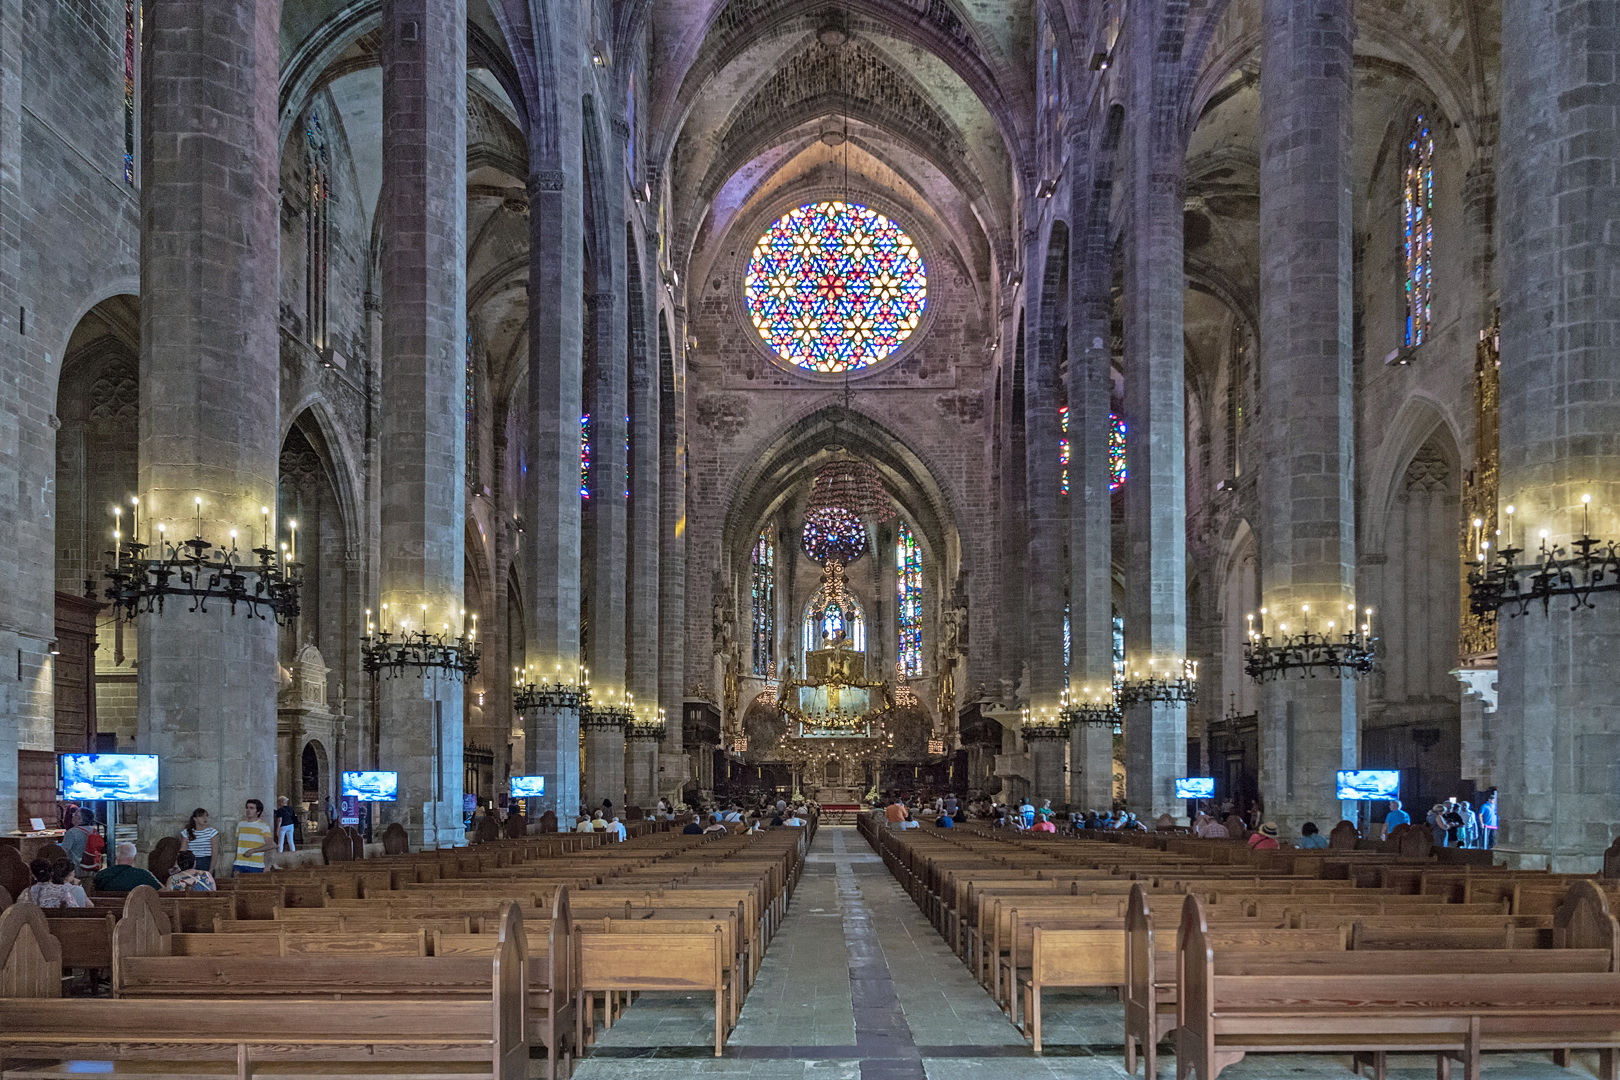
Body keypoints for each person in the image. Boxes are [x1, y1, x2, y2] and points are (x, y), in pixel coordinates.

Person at [93, 842, 162, 893]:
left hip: (108, 911)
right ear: (135, 857)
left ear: (116, 857)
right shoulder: (143, 874)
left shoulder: (101, 875)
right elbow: (161, 891)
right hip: (134, 911)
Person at [232, 799, 275, 875]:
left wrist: (253, 851)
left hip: (256, 864)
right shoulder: (240, 824)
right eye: (247, 808)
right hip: (239, 863)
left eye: (251, 808)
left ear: (258, 811)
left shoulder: (264, 826)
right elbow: (238, 844)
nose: (248, 810)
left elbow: (270, 845)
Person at [180, 808, 220, 872]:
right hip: (191, 861)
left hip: (206, 861)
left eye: (206, 816)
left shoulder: (212, 832)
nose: (205, 818)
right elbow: (183, 850)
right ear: (195, 819)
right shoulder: (187, 832)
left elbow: (214, 852)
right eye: (201, 816)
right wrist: (177, 865)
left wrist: (211, 868)